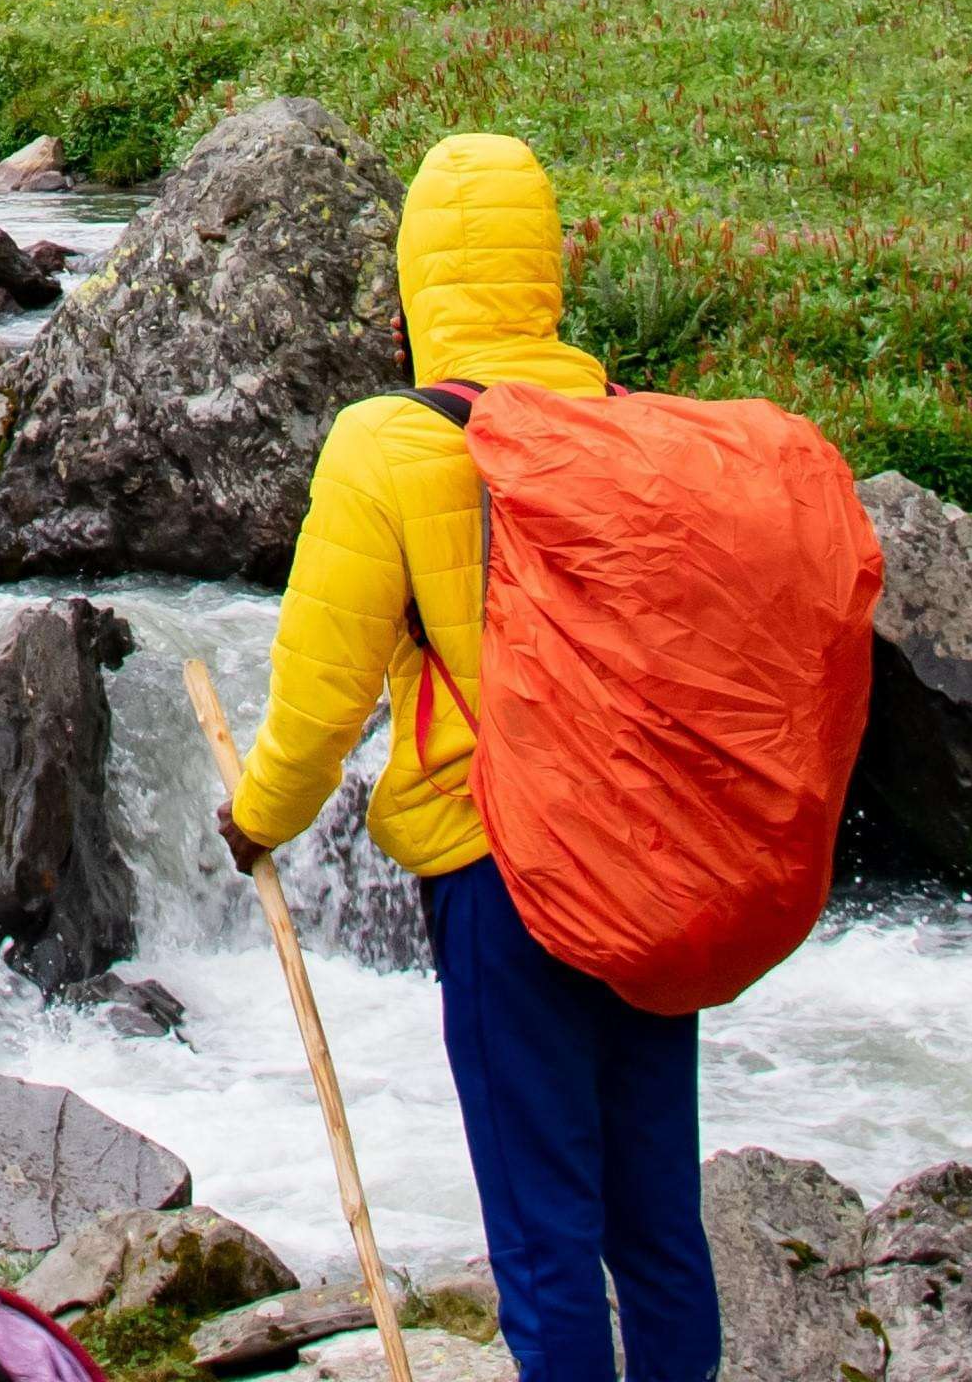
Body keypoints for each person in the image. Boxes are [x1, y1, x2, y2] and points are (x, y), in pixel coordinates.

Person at [219, 130, 715, 1382]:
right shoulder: (633, 428)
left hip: (505, 872)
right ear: (546, 270)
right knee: (658, 1219)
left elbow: (324, 692)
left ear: (418, 282)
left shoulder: (388, 444)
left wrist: (259, 816)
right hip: (651, 863)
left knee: (544, 1227)